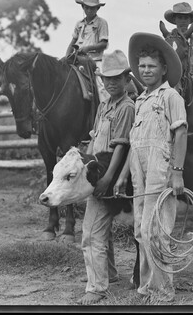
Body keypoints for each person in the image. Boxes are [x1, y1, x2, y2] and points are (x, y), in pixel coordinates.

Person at [114, 32, 187, 302]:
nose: (146, 70)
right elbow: (135, 143)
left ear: (163, 69)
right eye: (142, 66)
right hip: (138, 172)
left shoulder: (170, 97)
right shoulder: (141, 100)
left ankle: (163, 291)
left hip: (160, 168)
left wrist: (176, 172)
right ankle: (146, 287)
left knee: (157, 231)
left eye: (151, 66)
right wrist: (123, 176)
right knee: (141, 231)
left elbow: (180, 134)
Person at [77, 50, 136, 305]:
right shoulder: (103, 105)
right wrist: (84, 168)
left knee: (91, 231)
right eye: (106, 79)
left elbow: (121, 146)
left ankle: (96, 287)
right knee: (102, 228)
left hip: (110, 174)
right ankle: (109, 273)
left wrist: (106, 179)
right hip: (97, 170)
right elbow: (94, 140)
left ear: (126, 79)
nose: (111, 83)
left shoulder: (127, 107)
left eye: (116, 78)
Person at [65, 0, 110, 102]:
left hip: (94, 61)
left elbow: (104, 44)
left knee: (101, 87)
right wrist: (66, 57)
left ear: (97, 9)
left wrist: (87, 49)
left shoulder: (101, 23)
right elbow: (73, 41)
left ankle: (106, 111)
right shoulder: (79, 24)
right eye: (87, 7)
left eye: (92, 8)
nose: (89, 10)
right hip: (78, 59)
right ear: (83, 7)